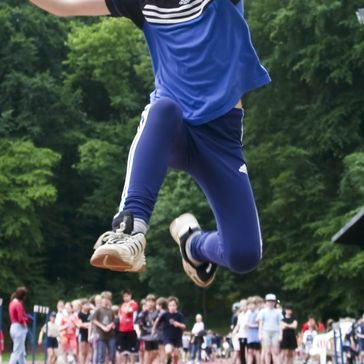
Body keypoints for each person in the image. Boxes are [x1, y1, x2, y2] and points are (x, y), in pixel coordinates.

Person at [29, 0, 271, 288]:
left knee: (244, 255)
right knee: (162, 109)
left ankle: (192, 243)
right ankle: (129, 230)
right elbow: (63, 6)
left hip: (221, 139)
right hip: (173, 128)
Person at [257, 294, 282, 364]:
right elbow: (260, 324)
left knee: (276, 351)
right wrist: (260, 334)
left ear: (274, 302)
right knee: (267, 351)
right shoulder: (263, 311)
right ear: (266, 302)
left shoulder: (278, 312)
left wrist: (281, 335)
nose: (270, 303)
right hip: (266, 332)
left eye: (272, 301)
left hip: (275, 332)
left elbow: (280, 324)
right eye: (269, 301)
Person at [117, 289, 139, 364]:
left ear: (130, 296)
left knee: (132, 350)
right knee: (123, 351)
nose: (125, 298)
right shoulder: (122, 305)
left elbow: (128, 311)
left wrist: (129, 304)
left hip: (131, 329)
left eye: (127, 296)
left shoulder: (134, 304)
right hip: (122, 330)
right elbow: (120, 316)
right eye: (124, 296)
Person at [8, 286, 29, 364]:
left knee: (21, 351)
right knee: (17, 351)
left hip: (13, 327)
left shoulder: (11, 303)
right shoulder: (19, 304)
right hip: (19, 328)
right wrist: (27, 319)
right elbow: (21, 319)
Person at [92, 295, 116, 364]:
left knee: (112, 355)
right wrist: (103, 327)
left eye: (107, 299)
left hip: (111, 335)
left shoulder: (111, 311)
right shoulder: (98, 310)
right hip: (101, 336)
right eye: (104, 299)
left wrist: (111, 325)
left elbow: (114, 320)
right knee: (101, 355)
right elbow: (93, 320)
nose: (106, 301)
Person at [246, 297, 261, 364]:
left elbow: (259, 325)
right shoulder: (248, 313)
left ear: (255, 305)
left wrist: (250, 325)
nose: (251, 306)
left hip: (256, 337)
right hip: (250, 337)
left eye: (252, 304)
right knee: (249, 352)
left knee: (256, 352)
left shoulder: (258, 313)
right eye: (249, 305)